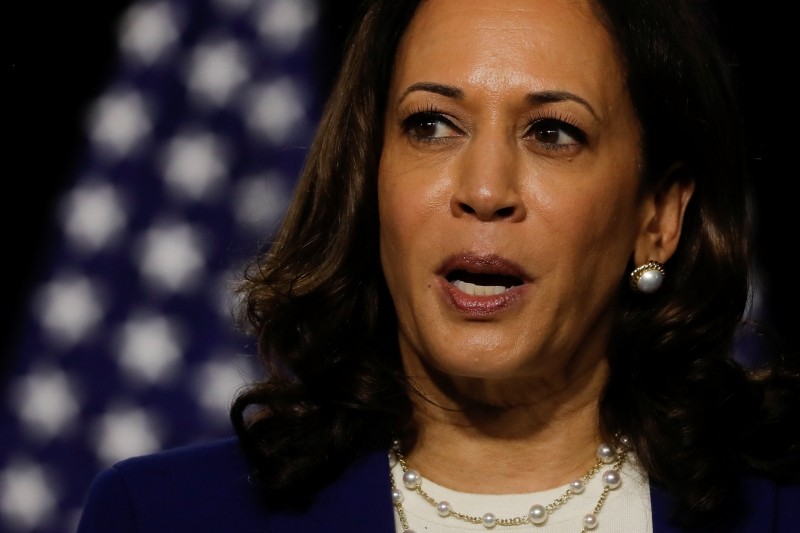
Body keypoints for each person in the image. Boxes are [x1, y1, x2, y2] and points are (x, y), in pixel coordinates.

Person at [75, 0, 800, 531]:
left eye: (553, 132)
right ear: (372, 180)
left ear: (658, 219)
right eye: (431, 125)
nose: (484, 190)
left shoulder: (777, 506)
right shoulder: (163, 514)